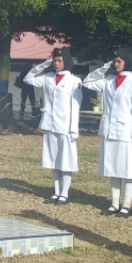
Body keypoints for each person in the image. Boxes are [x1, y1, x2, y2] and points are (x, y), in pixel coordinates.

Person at [83, 47, 132, 217]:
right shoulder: (109, 80)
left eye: (119, 61)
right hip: (110, 130)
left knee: (128, 169)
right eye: (115, 61)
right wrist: (105, 67)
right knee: (112, 167)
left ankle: (126, 205)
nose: (116, 64)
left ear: (129, 62)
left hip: (126, 132)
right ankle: (114, 203)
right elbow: (87, 82)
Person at [24, 47, 82, 205]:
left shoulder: (74, 81)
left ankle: (65, 193)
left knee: (66, 160)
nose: (56, 63)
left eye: (59, 60)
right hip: (49, 123)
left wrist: (73, 129)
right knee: (53, 159)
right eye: (54, 60)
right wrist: (44, 64)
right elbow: (28, 79)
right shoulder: (48, 77)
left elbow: (75, 106)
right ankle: (56, 192)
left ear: (66, 62)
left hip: (65, 125)